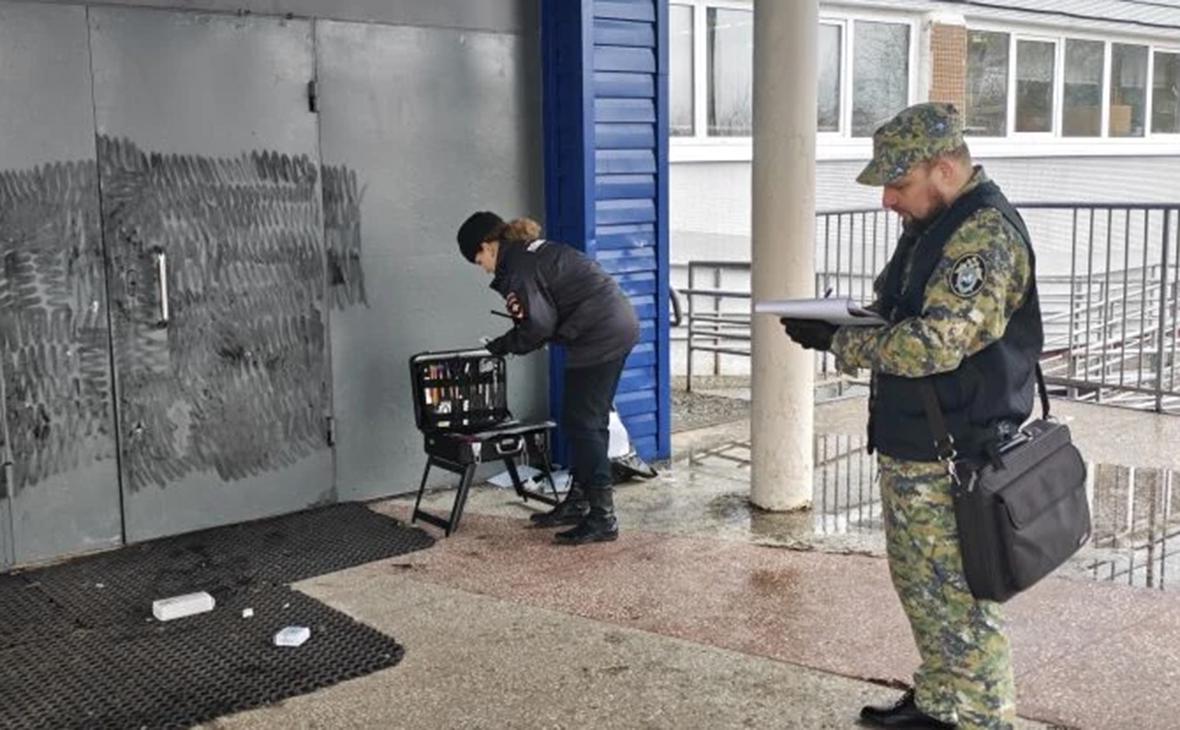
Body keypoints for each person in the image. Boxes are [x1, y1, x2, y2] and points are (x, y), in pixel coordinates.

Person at [781, 103, 1042, 730]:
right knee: (925, 587)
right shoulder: (933, 227)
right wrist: (844, 319)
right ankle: (941, 701)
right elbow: (900, 309)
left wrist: (839, 341)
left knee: (962, 598)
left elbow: (937, 343)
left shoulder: (984, 236)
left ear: (944, 169)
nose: (888, 200)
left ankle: (980, 718)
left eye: (898, 184)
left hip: (958, 451)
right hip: (920, 443)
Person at [456, 211, 640, 545]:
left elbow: (538, 325)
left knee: (584, 423)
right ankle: (580, 501)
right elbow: (548, 314)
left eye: (478, 260)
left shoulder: (517, 268)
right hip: (608, 326)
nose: (483, 268)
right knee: (584, 421)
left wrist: (502, 345)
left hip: (600, 334)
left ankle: (602, 517)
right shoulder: (528, 253)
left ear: (487, 246)